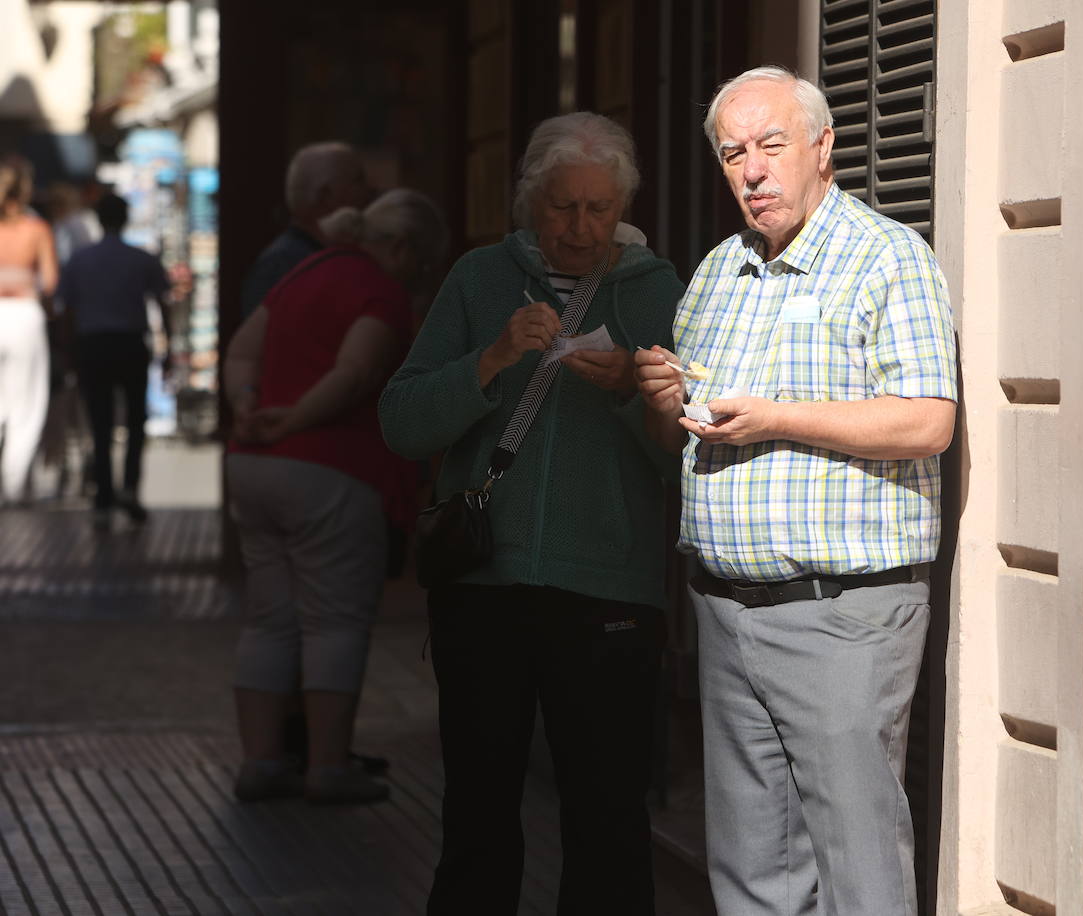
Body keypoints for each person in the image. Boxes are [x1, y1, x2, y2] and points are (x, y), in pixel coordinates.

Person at [635, 66, 958, 915]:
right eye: (733, 152)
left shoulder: (886, 257)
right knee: (750, 872)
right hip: (726, 608)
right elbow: (685, 432)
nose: (752, 171)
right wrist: (666, 404)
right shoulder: (715, 273)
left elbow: (928, 420)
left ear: (823, 147)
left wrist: (777, 417)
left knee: (857, 864)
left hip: (842, 615)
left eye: (771, 146)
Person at [378, 112, 684, 915]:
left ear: (622, 207)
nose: (580, 228)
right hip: (486, 585)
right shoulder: (480, 281)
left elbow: (681, 459)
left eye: (598, 209)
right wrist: (491, 359)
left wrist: (630, 389)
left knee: (608, 823)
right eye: (561, 207)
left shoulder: (659, 293)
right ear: (529, 203)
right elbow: (401, 422)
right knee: (477, 819)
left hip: (610, 593)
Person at [223, 188, 448, 805]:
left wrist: (250, 408)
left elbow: (243, 347)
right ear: (400, 247)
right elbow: (354, 373)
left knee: (269, 618)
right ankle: (327, 766)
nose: (418, 278)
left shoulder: (306, 270)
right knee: (334, 622)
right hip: (331, 470)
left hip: (254, 465)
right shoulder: (377, 290)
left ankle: (261, 761)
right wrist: (295, 420)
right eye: (421, 264)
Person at [56, 194, 171, 528]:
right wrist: (168, 350)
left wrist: (69, 351)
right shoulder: (141, 259)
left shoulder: (81, 260)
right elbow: (162, 304)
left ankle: (104, 496)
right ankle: (130, 489)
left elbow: (67, 309)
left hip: (94, 346)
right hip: (131, 344)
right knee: (136, 421)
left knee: (100, 422)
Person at [241, 141, 372, 318]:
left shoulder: (317, 256)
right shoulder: (282, 265)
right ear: (325, 196)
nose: (369, 190)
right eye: (358, 180)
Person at [0, 159, 58, 505]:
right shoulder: (36, 229)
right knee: (25, 406)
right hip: (23, 316)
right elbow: (50, 282)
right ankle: (11, 485)